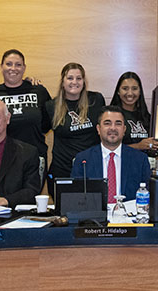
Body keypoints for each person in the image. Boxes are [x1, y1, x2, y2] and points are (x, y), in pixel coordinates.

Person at [45, 62, 106, 195]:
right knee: (65, 213)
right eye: (70, 78)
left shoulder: (96, 100)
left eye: (79, 78)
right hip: (63, 170)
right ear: (62, 82)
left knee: (93, 211)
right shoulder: (51, 106)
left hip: (92, 169)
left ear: (84, 81)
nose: (74, 82)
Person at [0, 49, 51, 161]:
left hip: (34, 157)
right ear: (1, 67)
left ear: (24, 68)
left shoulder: (39, 91)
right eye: (8, 64)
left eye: (18, 65)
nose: (13, 68)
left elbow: (46, 126)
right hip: (1, 158)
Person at [71, 106, 151, 201]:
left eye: (118, 124)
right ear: (98, 129)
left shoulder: (140, 159)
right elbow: (76, 197)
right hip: (95, 214)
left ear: (124, 129)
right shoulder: (83, 159)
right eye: (107, 123)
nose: (113, 128)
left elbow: (148, 195)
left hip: (129, 213)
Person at [109, 71, 158, 152]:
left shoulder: (147, 117)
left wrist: (151, 145)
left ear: (140, 92)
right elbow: (108, 147)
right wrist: (138, 146)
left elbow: (151, 146)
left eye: (134, 89)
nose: (130, 93)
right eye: (125, 88)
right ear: (118, 91)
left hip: (144, 162)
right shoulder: (111, 116)